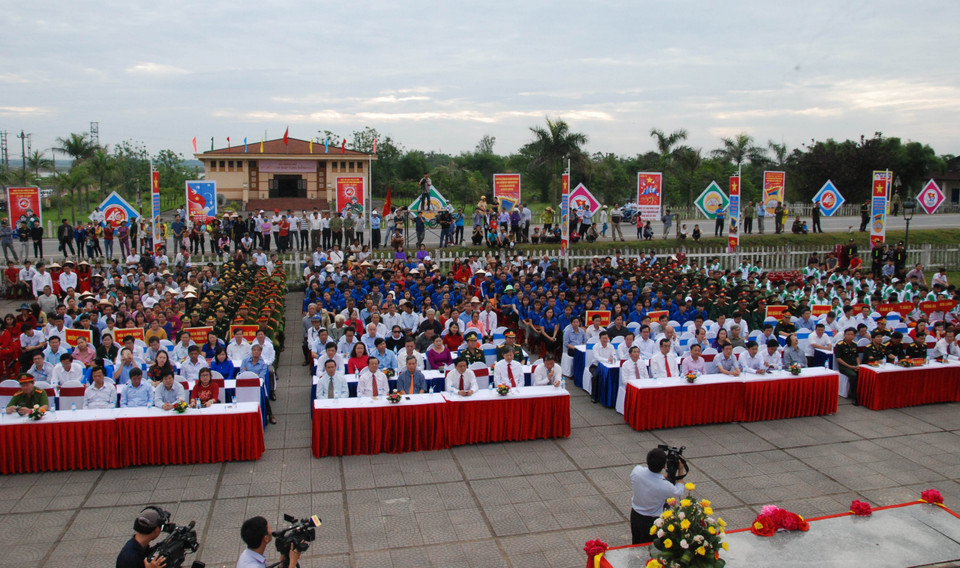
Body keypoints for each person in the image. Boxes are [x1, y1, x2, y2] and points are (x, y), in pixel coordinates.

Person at [630, 447, 688, 545]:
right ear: (664, 465)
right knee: (649, 547)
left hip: (635, 515)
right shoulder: (664, 486)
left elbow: (651, 477)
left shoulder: (637, 471)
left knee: (636, 544)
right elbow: (679, 490)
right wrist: (680, 470)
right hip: (651, 521)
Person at [834, 328, 861, 404]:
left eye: (851, 335)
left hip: (854, 366)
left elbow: (857, 357)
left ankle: (862, 395)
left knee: (863, 374)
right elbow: (839, 359)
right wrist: (850, 367)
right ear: (844, 335)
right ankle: (854, 397)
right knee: (853, 376)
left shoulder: (854, 344)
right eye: (848, 334)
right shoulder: (840, 345)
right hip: (844, 367)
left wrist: (858, 365)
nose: (849, 336)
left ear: (854, 336)